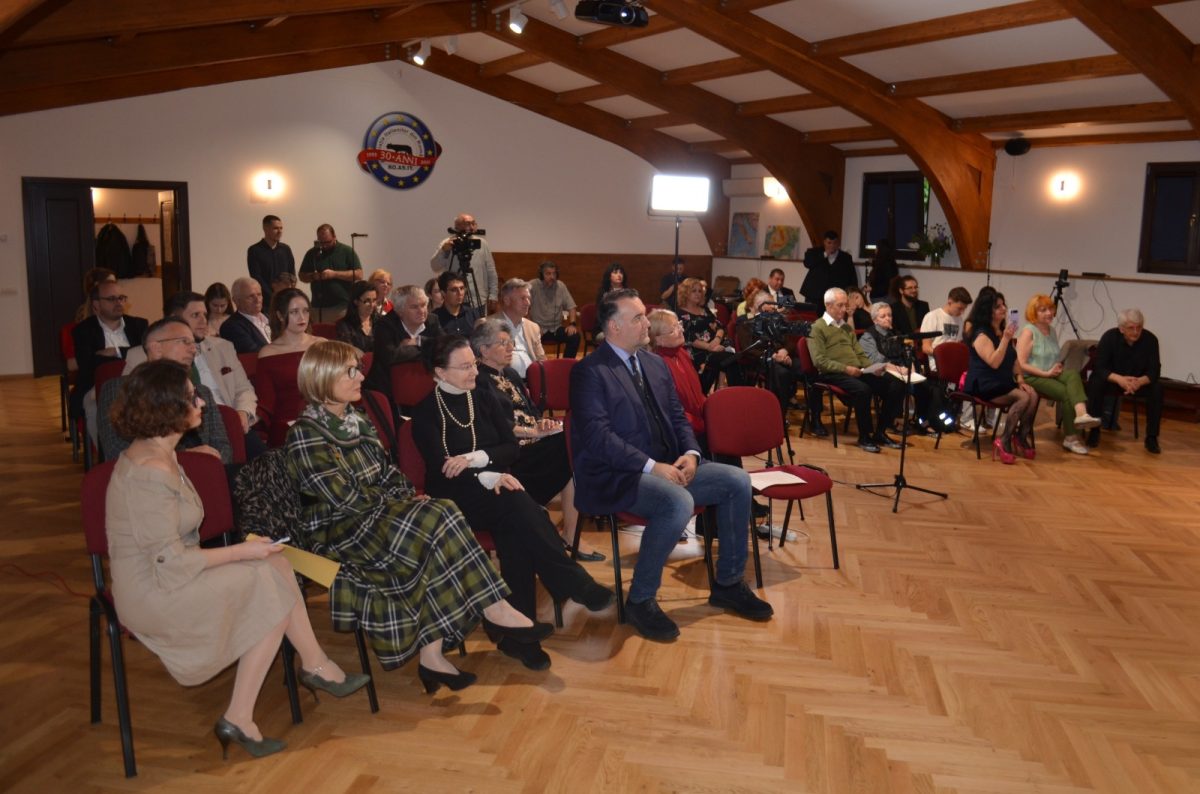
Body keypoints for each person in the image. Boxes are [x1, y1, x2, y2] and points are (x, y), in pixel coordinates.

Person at [105, 359, 369, 760]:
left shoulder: (163, 452)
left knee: (278, 563)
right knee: (267, 583)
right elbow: (168, 563)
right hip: (154, 592)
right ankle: (253, 708)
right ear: (166, 407)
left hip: (174, 571)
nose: (202, 402)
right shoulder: (150, 471)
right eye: (191, 397)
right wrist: (243, 551)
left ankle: (312, 666)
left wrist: (251, 550)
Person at [284, 340, 549, 691]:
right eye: (350, 371)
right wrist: (399, 505)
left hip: (375, 516)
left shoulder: (356, 420)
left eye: (358, 369)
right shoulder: (304, 433)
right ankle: (493, 607)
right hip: (341, 530)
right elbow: (343, 498)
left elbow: (389, 475)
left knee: (439, 514)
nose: (360, 376)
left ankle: (434, 654)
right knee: (438, 514)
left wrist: (404, 499)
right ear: (323, 377)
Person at [569, 289, 771, 642]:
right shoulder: (590, 371)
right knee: (677, 501)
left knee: (736, 481)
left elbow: (678, 417)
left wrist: (691, 453)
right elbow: (599, 438)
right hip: (619, 475)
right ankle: (640, 599)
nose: (646, 323)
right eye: (637, 318)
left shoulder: (653, 363)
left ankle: (728, 583)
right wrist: (651, 466)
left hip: (666, 466)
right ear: (614, 327)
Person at [412, 336, 614, 671]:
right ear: (440, 372)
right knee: (519, 506)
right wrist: (488, 475)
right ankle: (568, 581)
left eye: (474, 364)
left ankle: (519, 638)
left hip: (494, 490)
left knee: (516, 525)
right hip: (453, 500)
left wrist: (478, 460)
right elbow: (444, 469)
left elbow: (510, 449)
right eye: (464, 367)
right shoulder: (425, 412)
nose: (473, 371)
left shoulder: (483, 396)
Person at [471, 320, 602, 562]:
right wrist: (532, 432)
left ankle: (569, 531)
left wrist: (543, 424)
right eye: (502, 343)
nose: (511, 347)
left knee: (570, 442)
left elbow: (532, 412)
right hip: (511, 452)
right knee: (569, 446)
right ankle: (567, 531)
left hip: (534, 441)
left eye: (510, 342)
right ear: (483, 350)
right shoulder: (477, 380)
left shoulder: (510, 374)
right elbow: (494, 427)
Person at [125, 291, 263, 459]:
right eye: (195, 315)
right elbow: (129, 440)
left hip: (227, 425)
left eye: (205, 314)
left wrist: (242, 413)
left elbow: (244, 389)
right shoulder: (139, 362)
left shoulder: (221, 349)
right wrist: (189, 457)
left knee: (266, 461)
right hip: (175, 442)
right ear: (174, 318)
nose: (203, 320)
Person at [100, 318, 231, 463]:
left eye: (194, 343)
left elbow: (223, 446)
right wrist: (187, 457)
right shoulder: (120, 389)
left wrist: (212, 467)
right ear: (156, 349)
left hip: (208, 471)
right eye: (185, 342)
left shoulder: (202, 392)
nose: (193, 349)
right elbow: (116, 448)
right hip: (149, 472)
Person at [807, 288, 905, 453]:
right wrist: (845, 369)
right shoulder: (817, 328)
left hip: (856, 371)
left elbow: (859, 354)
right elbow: (819, 361)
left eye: (845, 305)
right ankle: (864, 437)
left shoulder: (845, 328)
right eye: (840, 305)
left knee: (896, 384)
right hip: (832, 373)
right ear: (828, 305)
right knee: (863, 390)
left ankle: (880, 432)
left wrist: (872, 368)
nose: (844, 309)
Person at [1016, 294, 1102, 455]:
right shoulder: (1028, 331)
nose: (1049, 313)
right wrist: (1046, 373)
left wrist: (1056, 366)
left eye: (1050, 309)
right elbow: (1021, 363)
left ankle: (1081, 414)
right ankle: (1071, 438)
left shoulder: (1052, 331)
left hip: (1050, 373)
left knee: (1073, 374)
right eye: (1043, 310)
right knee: (1068, 394)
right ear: (1034, 313)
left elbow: (1051, 357)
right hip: (1032, 376)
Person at [963, 290, 1039, 464]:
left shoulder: (1003, 330)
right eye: (998, 306)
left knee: (1032, 394)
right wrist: (1005, 340)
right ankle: (1004, 440)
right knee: (1023, 397)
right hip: (984, 384)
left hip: (1002, 381)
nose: (1004, 309)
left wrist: (1020, 380)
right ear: (987, 310)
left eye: (1003, 304)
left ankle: (1021, 436)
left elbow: (1014, 359)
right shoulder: (981, 334)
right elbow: (994, 362)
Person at [72, 280, 149, 442]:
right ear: (96, 305)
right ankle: (106, 452)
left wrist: (115, 351)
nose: (118, 302)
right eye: (111, 299)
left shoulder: (139, 325)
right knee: (94, 409)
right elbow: (87, 365)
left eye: (121, 298)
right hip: (96, 387)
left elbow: (147, 353)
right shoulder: (83, 330)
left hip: (137, 383)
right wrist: (128, 354)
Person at [1085, 309, 1163, 454]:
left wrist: (1139, 382)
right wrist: (1119, 379)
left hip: (1137, 382)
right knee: (1096, 382)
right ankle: (1094, 430)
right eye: (1131, 328)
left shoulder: (1151, 340)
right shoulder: (1109, 337)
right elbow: (1100, 367)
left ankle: (1152, 437)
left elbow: (1155, 371)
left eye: (1139, 327)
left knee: (1157, 389)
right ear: (1121, 328)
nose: (1136, 332)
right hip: (1114, 380)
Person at [858, 302, 941, 435]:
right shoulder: (868, 336)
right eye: (883, 316)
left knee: (926, 385)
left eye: (889, 315)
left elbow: (909, 354)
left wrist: (911, 367)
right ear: (874, 320)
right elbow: (876, 360)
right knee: (898, 384)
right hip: (880, 372)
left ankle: (922, 421)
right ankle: (893, 421)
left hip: (902, 370)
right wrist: (899, 369)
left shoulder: (897, 334)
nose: (888, 318)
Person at [257, 289, 318, 447]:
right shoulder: (268, 353)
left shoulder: (322, 345)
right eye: (294, 312)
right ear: (280, 315)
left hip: (322, 417)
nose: (302, 317)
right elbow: (266, 401)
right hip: (286, 424)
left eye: (305, 311)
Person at [368, 285, 443, 397]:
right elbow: (391, 356)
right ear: (400, 311)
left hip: (427, 389)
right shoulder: (385, 325)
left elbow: (446, 347)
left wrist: (419, 341)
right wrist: (430, 349)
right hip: (388, 392)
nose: (421, 311)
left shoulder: (432, 320)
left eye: (423, 305)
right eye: (414, 307)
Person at [677, 277, 743, 394]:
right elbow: (688, 337)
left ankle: (736, 393)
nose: (698, 294)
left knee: (732, 359)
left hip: (715, 347)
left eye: (699, 291)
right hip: (696, 352)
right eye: (694, 291)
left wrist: (716, 340)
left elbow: (720, 327)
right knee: (729, 360)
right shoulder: (680, 313)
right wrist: (710, 347)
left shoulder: (704, 309)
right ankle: (737, 394)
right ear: (685, 292)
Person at [647, 308, 705, 438]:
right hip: (681, 432)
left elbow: (697, 394)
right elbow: (669, 410)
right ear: (658, 340)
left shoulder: (681, 353)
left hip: (698, 422)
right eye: (673, 330)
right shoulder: (657, 365)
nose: (681, 330)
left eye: (679, 325)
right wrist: (702, 424)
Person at [430, 213, 497, 312]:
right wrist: (444, 251)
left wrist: (493, 295)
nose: (471, 227)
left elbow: (491, 270)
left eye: (473, 223)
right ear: (457, 226)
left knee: (479, 322)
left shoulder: (482, 244)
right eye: (467, 223)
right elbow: (435, 266)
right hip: (453, 300)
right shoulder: (448, 243)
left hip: (478, 299)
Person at [298, 223, 363, 323]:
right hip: (318, 306)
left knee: (340, 333)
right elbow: (301, 275)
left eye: (328, 242)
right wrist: (313, 276)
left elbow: (359, 274)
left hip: (341, 307)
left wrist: (334, 274)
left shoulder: (346, 251)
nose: (324, 245)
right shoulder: (312, 253)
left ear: (334, 236)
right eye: (321, 242)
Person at [487, 278, 546, 378]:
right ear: (507, 300)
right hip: (503, 380)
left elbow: (541, 358)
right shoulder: (488, 324)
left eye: (528, 298)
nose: (528, 303)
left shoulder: (533, 327)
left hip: (532, 380)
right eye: (523, 298)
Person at [529, 261, 580, 359]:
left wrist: (572, 324)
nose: (552, 277)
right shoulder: (532, 285)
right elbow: (524, 308)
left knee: (575, 336)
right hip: (537, 328)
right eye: (548, 274)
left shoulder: (560, 286)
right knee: (527, 337)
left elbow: (572, 306)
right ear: (541, 275)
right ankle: (535, 365)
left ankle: (566, 364)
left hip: (556, 328)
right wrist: (532, 327)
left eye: (554, 273)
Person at [246, 214, 295, 303]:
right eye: (275, 228)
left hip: (285, 298)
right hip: (265, 301)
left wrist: (289, 290)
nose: (279, 231)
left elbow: (291, 273)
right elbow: (256, 276)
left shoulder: (285, 249)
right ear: (265, 229)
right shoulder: (255, 250)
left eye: (281, 228)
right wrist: (272, 295)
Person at [920, 286, 973, 366]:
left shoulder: (959, 319)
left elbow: (957, 344)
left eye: (964, 309)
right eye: (959, 308)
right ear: (950, 302)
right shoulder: (933, 316)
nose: (962, 312)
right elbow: (926, 347)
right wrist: (943, 355)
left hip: (953, 362)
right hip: (936, 364)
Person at [801, 230, 857, 304]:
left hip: (835, 297)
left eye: (835, 243)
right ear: (824, 242)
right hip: (815, 295)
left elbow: (852, 277)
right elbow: (807, 264)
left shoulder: (846, 258)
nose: (832, 246)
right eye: (829, 243)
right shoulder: (813, 252)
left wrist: (852, 294)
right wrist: (824, 255)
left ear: (838, 243)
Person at [220, 277, 272, 355]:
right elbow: (254, 353)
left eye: (259, 294)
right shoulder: (231, 326)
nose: (257, 300)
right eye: (251, 296)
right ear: (236, 301)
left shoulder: (271, 318)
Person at [335, 280, 377, 353]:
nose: (372, 305)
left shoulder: (382, 321)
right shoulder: (344, 325)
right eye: (367, 301)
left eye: (374, 300)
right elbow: (348, 351)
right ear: (356, 301)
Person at [433, 271, 479, 337]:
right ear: (443, 293)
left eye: (462, 288)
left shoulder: (472, 313)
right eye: (454, 290)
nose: (460, 293)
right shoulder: (435, 318)